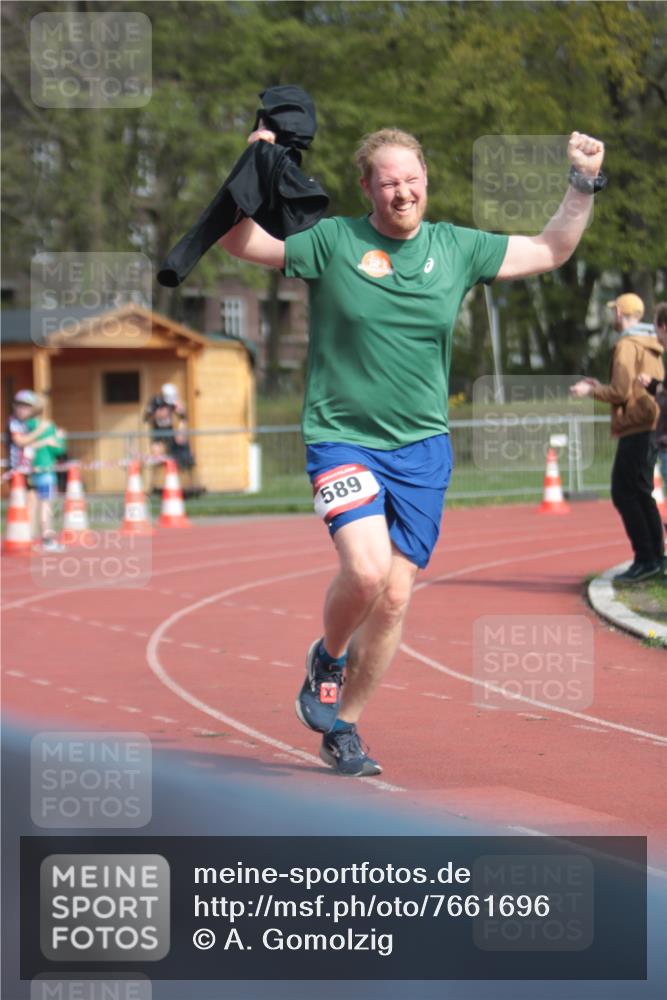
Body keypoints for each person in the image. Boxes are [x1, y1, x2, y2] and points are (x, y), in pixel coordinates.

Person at [221, 124, 606, 777]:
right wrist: (255, 161)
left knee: (396, 596)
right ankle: (329, 656)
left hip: (422, 447)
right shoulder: (334, 241)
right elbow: (240, 241)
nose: (402, 193)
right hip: (342, 435)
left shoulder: (455, 247)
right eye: (388, 182)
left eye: (412, 179)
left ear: (426, 178)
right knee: (367, 573)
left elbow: (550, 248)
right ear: (366, 187)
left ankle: (344, 729)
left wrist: (580, 182)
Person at [571, 293, 664, 583]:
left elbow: (622, 392)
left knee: (624, 492)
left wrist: (592, 391)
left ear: (622, 315)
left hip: (635, 425)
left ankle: (645, 558)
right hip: (651, 423)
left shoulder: (626, 345)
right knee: (641, 491)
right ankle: (656, 557)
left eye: (615, 312)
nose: (613, 317)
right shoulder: (653, 345)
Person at [23, 394, 66, 552]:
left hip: (29, 471)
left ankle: (29, 538)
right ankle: (47, 540)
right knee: (45, 506)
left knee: (31, 505)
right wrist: (61, 438)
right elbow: (59, 449)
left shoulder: (26, 426)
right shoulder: (47, 426)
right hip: (46, 471)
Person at [143, 383, 195, 491]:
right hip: (157, 433)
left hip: (169, 432)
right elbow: (146, 417)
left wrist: (182, 411)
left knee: (179, 455)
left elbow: (183, 417)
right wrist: (156, 414)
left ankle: (185, 484)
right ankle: (154, 485)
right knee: (157, 459)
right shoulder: (155, 402)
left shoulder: (173, 402)